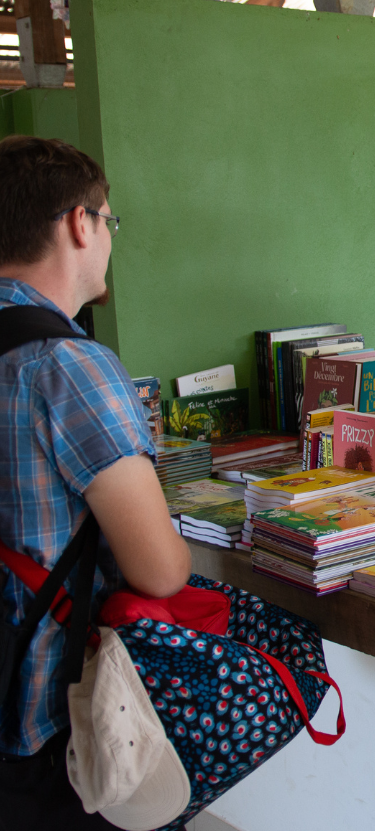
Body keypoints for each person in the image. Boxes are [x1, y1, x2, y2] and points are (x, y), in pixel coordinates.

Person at [0, 136, 191, 830]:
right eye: (109, 220)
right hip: (43, 723)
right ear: (80, 223)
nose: (108, 236)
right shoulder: (65, 365)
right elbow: (160, 570)